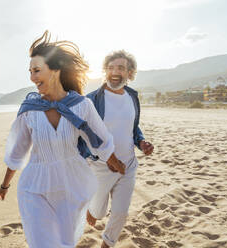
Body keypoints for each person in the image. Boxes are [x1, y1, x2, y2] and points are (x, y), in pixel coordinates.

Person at [0, 31, 125, 248]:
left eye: (37, 70)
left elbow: (100, 139)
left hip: (70, 184)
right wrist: (5, 185)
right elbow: (17, 152)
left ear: (55, 70)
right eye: (30, 72)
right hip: (35, 186)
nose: (32, 77)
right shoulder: (29, 110)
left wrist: (114, 161)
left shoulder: (81, 105)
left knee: (65, 243)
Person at [78, 50, 154, 248]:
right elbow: (84, 134)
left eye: (120, 67)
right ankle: (92, 209)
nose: (114, 71)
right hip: (101, 166)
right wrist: (104, 158)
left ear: (130, 73)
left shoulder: (132, 97)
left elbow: (132, 127)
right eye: (110, 67)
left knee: (120, 212)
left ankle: (107, 244)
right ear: (105, 71)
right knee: (98, 213)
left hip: (128, 165)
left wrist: (141, 142)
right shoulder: (92, 99)